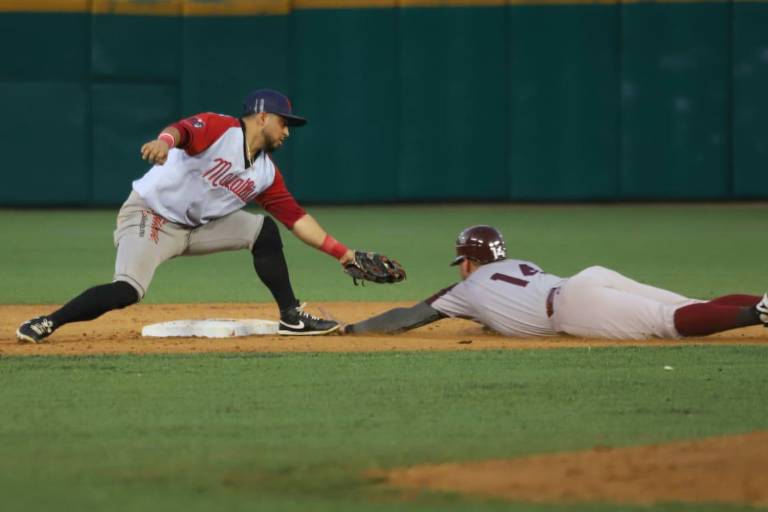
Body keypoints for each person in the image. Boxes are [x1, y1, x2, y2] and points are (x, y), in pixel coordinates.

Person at [17, 89, 365, 343]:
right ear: (262, 117)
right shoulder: (221, 129)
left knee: (264, 232)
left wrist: (343, 253)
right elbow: (181, 130)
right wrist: (165, 143)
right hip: (152, 215)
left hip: (200, 228)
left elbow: (298, 220)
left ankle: (291, 317)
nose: (287, 131)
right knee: (127, 290)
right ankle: (49, 321)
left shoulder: (265, 173)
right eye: (283, 122)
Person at [345, 225, 768, 339]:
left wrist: (351, 328)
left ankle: (757, 312)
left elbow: (406, 318)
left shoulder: (464, 290)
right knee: (693, 305)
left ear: (470, 262)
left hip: (572, 307)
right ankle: (760, 301)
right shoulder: (519, 264)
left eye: (462, 261)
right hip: (589, 279)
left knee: (668, 322)